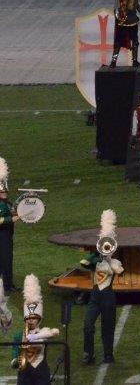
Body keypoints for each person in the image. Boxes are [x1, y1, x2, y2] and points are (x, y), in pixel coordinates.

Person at [81, 210, 124, 365]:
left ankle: (108, 354)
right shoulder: (96, 260)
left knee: (108, 327)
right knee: (88, 325)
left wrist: (108, 259)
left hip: (108, 297)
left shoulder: (115, 262)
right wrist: (97, 255)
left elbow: (120, 271)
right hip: (95, 296)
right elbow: (84, 263)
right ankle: (89, 354)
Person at [11, 274, 60, 385]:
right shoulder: (19, 335)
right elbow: (15, 352)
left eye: (34, 318)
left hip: (41, 370)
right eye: (29, 318)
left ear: (39, 318)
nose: (31, 320)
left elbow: (55, 332)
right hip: (24, 372)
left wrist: (36, 336)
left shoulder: (44, 331)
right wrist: (16, 360)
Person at [0, 158, 18, 293]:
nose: (5, 193)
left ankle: (8, 284)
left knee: (7, 259)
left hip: (6, 235)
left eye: (5, 191)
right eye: (2, 192)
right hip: (1, 235)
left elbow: (12, 212)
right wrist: (11, 219)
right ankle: (7, 286)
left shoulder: (6, 203)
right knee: (5, 260)